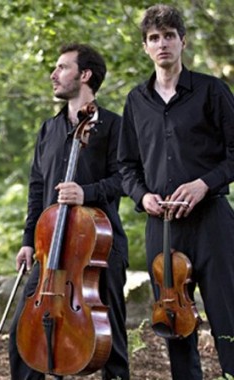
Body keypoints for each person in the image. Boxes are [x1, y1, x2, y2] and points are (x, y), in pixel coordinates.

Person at [118, 4, 234, 379]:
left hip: (212, 223)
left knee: (228, 318)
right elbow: (126, 166)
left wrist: (204, 184)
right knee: (175, 324)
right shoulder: (137, 101)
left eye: (169, 36)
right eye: (154, 38)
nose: (162, 43)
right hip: (162, 227)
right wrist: (142, 196)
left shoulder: (212, 90)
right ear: (145, 47)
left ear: (182, 41)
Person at [8, 44, 130, 380]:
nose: (53, 74)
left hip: (98, 248)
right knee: (24, 333)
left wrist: (86, 193)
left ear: (85, 75)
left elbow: (126, 179)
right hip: (51, 249)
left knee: (111, 341)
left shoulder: (114, 127)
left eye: (62, 67)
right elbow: (37, 190)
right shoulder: (48, 130)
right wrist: (28, 240)